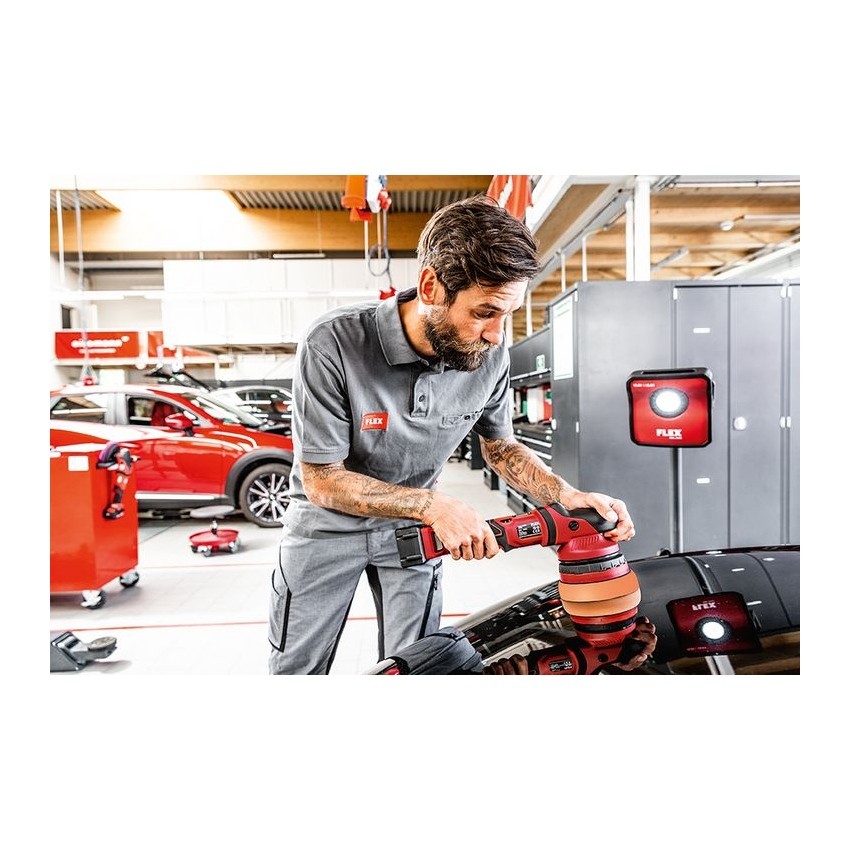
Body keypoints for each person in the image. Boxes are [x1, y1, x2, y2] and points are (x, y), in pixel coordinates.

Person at [268, 195, 637, 675]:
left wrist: (566, 495)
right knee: (296, 670)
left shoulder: (490, 357)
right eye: (485, 312)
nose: (497, 335)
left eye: (508, 314)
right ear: (431, 287)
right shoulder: (334, 342)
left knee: (422, 668)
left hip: (413, 537)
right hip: (325, 532)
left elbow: (501, 448)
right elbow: (321, 480)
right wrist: (434, 506)